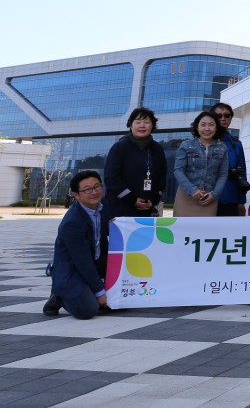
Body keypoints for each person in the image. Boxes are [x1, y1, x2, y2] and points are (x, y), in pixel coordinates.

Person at [43, 171, 109, 319]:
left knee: (115, 303)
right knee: (88, 310)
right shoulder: (73, 222)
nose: (94, 192)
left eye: (97, 186)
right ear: (76, 195)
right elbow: (82, 261)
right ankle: (59, 295)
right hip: (72, 269)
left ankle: (87, 289)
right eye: (87, 189)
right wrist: (100, 291)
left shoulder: (102, 207)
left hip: (94, 262)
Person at [103, 107, 165, 218]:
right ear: (131, 125)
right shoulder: (120, 147)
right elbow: (111, 178)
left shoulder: (158, 149)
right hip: (121, 208)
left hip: (148, 209)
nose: (142, 125)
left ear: (152, 126)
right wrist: (132, 199)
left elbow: (162, 178)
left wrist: (153, 199)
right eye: (138, 122)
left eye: (146, 122)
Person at [173, 111, 229, 217]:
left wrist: (214, 194)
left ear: (216, 128)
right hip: (186, 196)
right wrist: (192, 189)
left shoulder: (222, 147)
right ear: (197, 127)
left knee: (206, 233)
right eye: (203, 125)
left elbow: (223, 174)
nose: (207, 128)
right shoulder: (186, 145)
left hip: (208, 198)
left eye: (211, 124)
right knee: (182, 231)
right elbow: (178, 170)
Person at [211, 102, 248, 217]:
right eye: (218, 116)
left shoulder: (236, 143)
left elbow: (242, 173)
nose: (223, 118)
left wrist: (241, 201)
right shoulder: (203, 141)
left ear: (231, 118)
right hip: (207, 198)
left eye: (227, 116)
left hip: (230, 198)